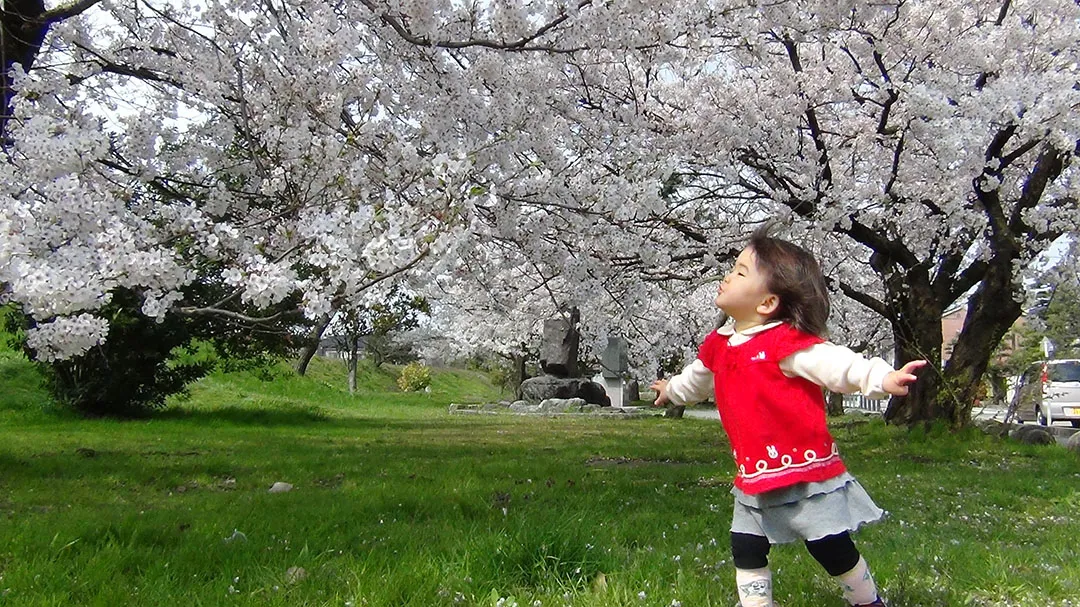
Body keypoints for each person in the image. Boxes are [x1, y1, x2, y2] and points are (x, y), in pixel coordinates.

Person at [650, 227, 926, 607]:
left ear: (767, 303)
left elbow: (837, 364)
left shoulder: (785, 343)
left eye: (741, 272)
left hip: (805, 475)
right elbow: (696, 379)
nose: (727, 276)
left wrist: (881, 378)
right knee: (746, 546)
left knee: (831, 548)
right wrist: (671, 390)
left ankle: (868, 602)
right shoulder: (719, 345)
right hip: (754, 476)